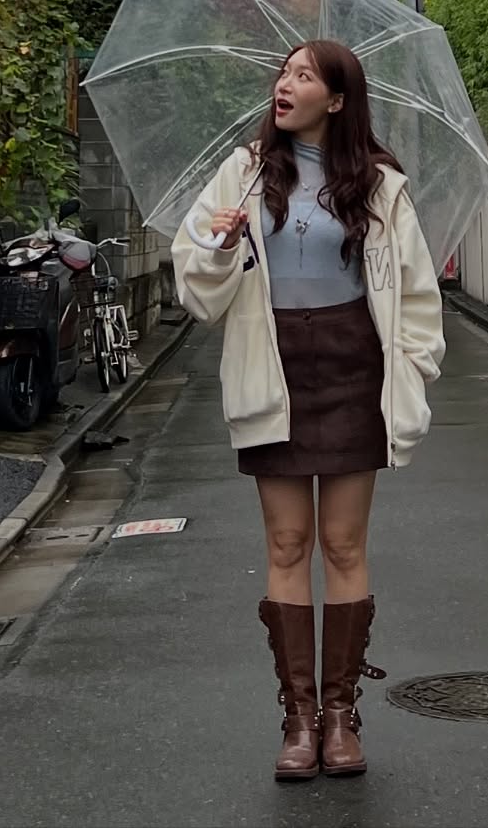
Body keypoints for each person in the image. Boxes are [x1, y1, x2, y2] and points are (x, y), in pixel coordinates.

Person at [172, 39, 445, 782]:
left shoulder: (380, 186)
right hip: (274, 364)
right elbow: (197, 292)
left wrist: (414, 370)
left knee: (344, 545)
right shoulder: (243, 172)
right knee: (288, 543)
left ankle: (341, 716)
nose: (285, 85)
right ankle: (298, 719)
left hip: (353, 365)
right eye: (283, 73)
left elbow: (416, 291)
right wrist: (221, 246)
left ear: (338, 98)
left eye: (303, 76)